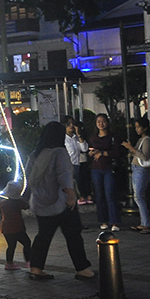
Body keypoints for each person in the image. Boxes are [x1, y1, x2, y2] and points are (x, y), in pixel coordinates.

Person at [26, 121, 95, 281]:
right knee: (73, 235)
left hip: (40, 202)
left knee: (43, 235)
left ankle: (36, 268)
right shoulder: (59, 152)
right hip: (61, 203)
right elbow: (64, 175)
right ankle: (82, 269)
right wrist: (71, 195)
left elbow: (29, 177)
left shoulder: (35, 154)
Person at [86, 113, 121, 232]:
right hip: (96, 168)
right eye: (98, 122)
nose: (101, 124)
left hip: (108, 168)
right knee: (99, 195)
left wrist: (102, 153)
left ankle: (114, 221)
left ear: (107, 122)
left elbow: (117, 152)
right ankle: (103, 220)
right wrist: (91, 153)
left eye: (103, 121)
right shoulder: (93, 138)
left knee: (110, 194)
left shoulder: (112, 137)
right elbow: (89, 151)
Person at [122, 116, 150, 234]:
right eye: (136, 127)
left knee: (139, 196)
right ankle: (143, 223)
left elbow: (144, 156)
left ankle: (146, 224)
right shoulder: (141, 140)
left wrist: (131, 148)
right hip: (136, 168)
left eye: (138, 127)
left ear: (145, 128)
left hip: (141, 169)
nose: (137, 129)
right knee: (139, 196)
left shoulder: (147, 140)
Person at [0, 181, 31, 270]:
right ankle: (28, 261)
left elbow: (0, 212)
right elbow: (27, 206)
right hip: (17, 227)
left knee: (11, 246)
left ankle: (9, 263)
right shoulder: (19, 202)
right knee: (27, 243)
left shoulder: (3, 202)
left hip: (6, 227)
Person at [63, 116, 90, 204]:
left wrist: (79, 135)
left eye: (72, 123)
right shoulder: (64, 139)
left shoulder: (76, 138)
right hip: (68, 165)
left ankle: (78, 197)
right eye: (68, 124)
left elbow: (84, 148)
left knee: (77, 182)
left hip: (76, 164)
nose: (71, 125)